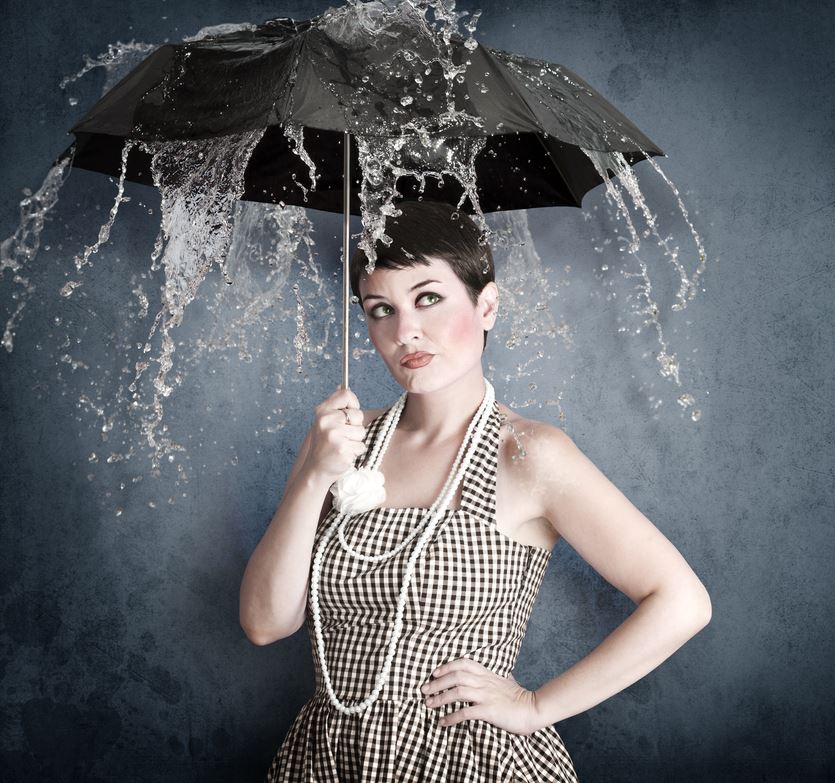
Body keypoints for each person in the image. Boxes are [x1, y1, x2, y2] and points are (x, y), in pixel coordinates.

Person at [240, 199, 712, 781]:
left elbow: (682, 601)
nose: (405, 329)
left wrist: (535, 706)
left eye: (429, 298)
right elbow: (265, 623)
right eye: (380, 309)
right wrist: (314, 475)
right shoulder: (339, 444)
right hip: (330, 758)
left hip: (466, 760)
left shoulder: (527, 452)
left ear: (486, 304)